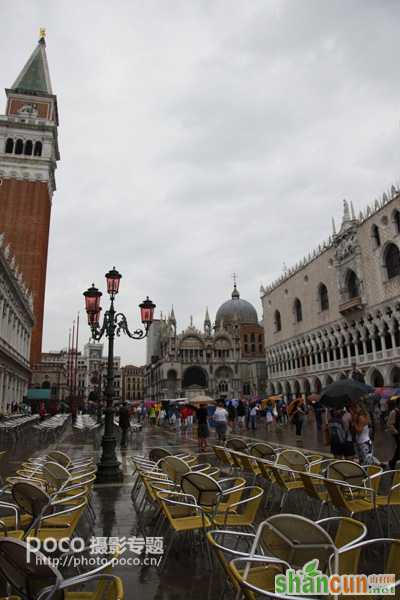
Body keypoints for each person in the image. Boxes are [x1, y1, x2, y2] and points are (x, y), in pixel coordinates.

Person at [387, 399, 400, 470]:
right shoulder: (393, 412)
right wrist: (396, 432)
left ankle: (392, 463)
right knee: (398, 450)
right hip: (397, 435)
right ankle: (392, 463)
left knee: (398, 450)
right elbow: (389, 424)